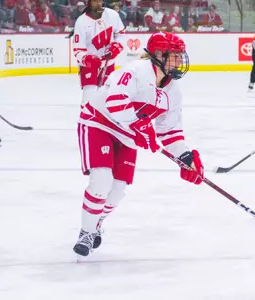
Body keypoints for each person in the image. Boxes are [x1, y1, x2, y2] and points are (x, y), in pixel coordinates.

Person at [74, 31, 204, 257]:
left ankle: (97, 221)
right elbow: (115, 103)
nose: (181, 60)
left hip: (128, 135)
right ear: (159, 55)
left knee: (116, 191)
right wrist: (141, 126)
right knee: (101, 180)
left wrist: (185, 157)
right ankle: (86, 232)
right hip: (98, 123)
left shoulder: (173, 92)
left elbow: (170, 131)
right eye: (175, 55)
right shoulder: (135, 71)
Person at [72, 0, 125, 106]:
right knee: (89, 97)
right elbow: (78, 50)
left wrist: (117, 46)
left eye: (100, 0)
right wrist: (87, 59)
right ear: (89, 3)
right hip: (89, 65)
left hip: (108, 62)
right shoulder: (81, 22)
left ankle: (104, 121)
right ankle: (85, 120)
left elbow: (120, 34)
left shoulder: (112, 15)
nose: (99, 4)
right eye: (95, 1)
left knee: (107, 97)